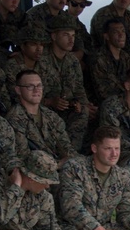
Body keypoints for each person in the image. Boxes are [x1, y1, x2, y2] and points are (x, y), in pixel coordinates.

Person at [38, 13, 91, 151]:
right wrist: (49, 102)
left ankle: (71, 153)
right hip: (45, 108)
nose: (71, 40)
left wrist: (81, 104)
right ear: (54, 36)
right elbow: (30, 93)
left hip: (67, 109)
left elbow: (79, 88)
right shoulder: (41, 59)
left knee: (83, 112)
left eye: (73, 36)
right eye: (66, 35)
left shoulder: (72, 61)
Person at [6, 69, 75, 163]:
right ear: (18, 90)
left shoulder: (50, 115)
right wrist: (57, 165)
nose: (36, 90)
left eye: (39, 86)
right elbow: (23, 156)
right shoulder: (14, 119)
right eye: (30, 86)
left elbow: (66, 146)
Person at [89, 17, 130, 106]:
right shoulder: (99, 59)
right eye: (116, 32)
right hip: (106, 104)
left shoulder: (127, 59)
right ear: (106, 36)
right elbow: (103, 92)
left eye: (123, 31)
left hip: (125, 101)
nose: (121, 35)